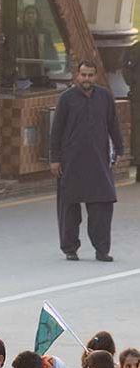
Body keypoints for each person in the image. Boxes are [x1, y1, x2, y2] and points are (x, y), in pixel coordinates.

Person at [50, 60, 123, 262]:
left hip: (98, 162)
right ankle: (70, 248)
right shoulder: (66, 99)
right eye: (83, 75)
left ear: (96, 76)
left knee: (103, 204)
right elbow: (56, 131)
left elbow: (113, 125)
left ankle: (102, 250)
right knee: (69, 207)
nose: (87, 79)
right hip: (70, 162)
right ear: (77, 76)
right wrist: (54, 159)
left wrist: (119, 149)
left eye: (90, 75)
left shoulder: (105, 97)